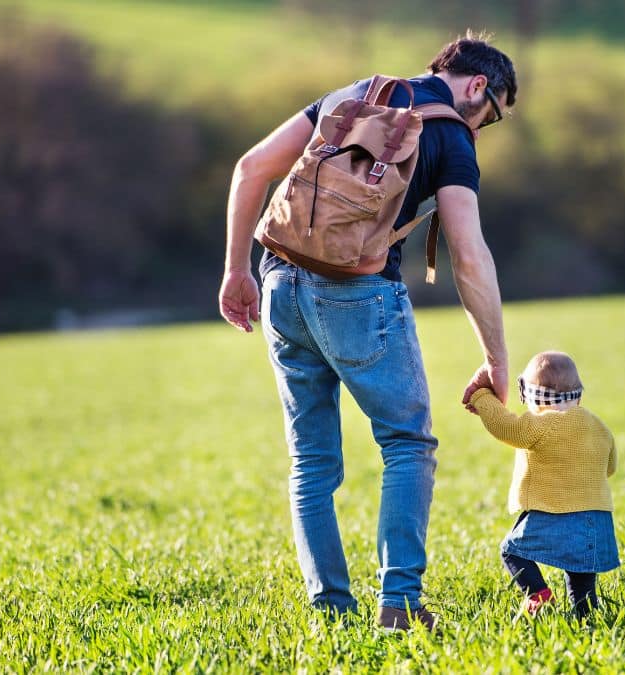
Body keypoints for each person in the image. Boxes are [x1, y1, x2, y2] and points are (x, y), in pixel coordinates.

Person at [218, 34, 518, 631]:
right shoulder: (451, 135)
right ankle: (401, 605)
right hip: (359, 293)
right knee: (407, 444)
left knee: (310, 461)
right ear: (477, 85)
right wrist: (496, 355)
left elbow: (252, 166)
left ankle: (330, 610)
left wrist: (235, 270)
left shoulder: (354, 95)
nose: (484, 128)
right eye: (493, 114)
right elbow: (468, 253)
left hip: (279, 283)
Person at [467, 351, 620, 620]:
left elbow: (506, 427)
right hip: (596, 519)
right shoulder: (599, 427)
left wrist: (482, 397)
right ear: (578, 394)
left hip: (555, 512)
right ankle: (588, 620)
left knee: (511, 551)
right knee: (581, 581)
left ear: (532, 397)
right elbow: (610, 467)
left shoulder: (542, 424)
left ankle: (537, 593)